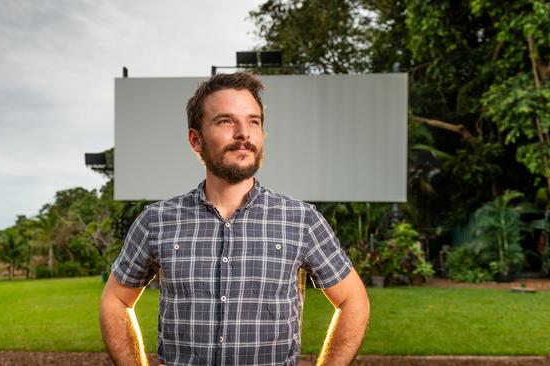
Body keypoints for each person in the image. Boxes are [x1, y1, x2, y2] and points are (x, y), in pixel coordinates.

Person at [100, 72, 370, 366]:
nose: (244, 132)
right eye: (225, 121)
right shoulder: (156, 221)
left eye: (253, 121)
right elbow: (115, 300)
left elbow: (353, 300)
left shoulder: (302, 220)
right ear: (196, 140)